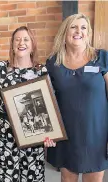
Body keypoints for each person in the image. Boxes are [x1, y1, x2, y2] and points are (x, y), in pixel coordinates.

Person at [46, 13, 108, 182]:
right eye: (73, 26)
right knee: (67, 179)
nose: (78, 31)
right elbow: (46, 101)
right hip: (66, 135)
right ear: (65, 32)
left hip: (96, 134)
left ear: (88, 33)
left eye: (83, 27)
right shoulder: (53, 62)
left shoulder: (101, 57)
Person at [0, 26, 55, 182]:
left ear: (33, 44)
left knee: (32, 177)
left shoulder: (41, 71)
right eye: (17, 39)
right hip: (6, 135)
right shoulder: (0, 69)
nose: (21, 43)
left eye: (26, 39)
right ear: (12, 44)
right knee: (7, 177)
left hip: (33, 135)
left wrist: (51, 133)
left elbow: (49, 107)